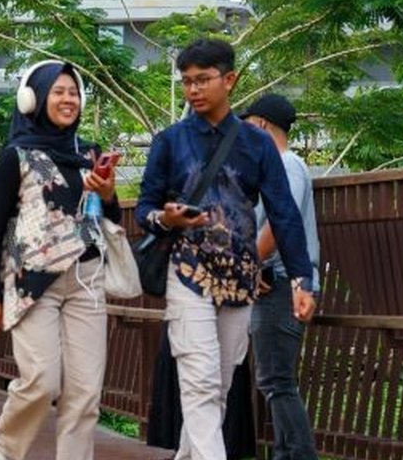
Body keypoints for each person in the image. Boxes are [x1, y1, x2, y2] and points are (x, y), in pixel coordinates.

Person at [135, 38, 315, 460]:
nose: (193, 90)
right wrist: (167, 219)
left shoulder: (257, 146)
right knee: (199, 381)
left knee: (218, 385)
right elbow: (143, 210)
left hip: (240, 280)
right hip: (186, 273)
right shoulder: (170, 141)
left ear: (228, 80)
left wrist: (302, 279)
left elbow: (284, 214)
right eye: (187, 82)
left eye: (203, 80)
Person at [0, 60, 119, 460]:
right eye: (58, 91)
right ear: (33, 98)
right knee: (41, 381)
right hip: (33, 281)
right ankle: (4, 448)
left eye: (73, 92)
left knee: (86, 392)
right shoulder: (15, 156)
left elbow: (112, 218)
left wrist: (106, 193)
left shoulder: (90, 153)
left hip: (87, 277)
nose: (68, 99)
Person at [243, 94, 322, 460]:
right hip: (274, 280)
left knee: (277, 381)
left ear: (260, 125)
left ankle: (296, 455)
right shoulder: (277, 166)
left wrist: (249, 263)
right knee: (274, 380)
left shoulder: (286, 164)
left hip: (283, 283)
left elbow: (280, 220)